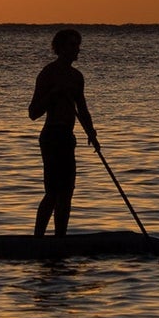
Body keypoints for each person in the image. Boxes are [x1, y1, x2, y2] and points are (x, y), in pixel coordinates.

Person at [28, 28, 100, 237]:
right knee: (52, 192)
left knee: (67, 192)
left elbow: (83, 109)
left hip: (68, 138)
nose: (77, 50)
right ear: (59, 48)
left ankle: (61, 239)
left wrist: (92, 134)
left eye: (78, 45)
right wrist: (53, 94)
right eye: (72, 45)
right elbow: (33, 113)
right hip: (51, 137)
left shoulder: (77, 77)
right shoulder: (48, 73)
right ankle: (38, 240)